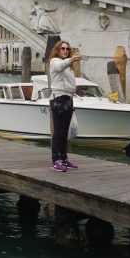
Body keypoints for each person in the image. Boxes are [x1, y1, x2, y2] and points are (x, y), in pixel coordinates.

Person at [48, 40, 79, 172]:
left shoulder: (69, 66)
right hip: (58, 98)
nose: (65, 50)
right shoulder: (54, 61)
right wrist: (71, 60)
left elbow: (70, 82)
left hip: (68, 98)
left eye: (67, 49)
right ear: (58, 50)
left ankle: (64, 158)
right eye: (63, 48)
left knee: (65, 132)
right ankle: (55, 161)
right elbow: (60, 66)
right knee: (58, 132)